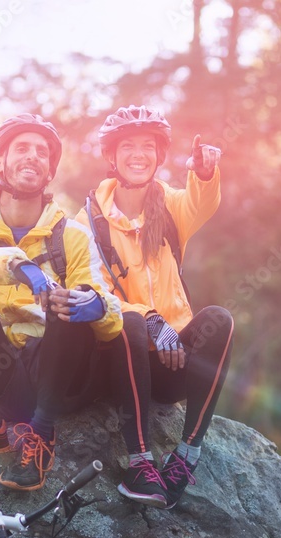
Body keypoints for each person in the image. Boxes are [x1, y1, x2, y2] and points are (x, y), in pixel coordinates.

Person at [0, 113, 122, 492]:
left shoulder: (74, 235)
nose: (33, 156)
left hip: (59, 376)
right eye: (22, 148)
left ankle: (41, 434)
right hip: (4, 379)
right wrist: (19, 266)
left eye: (41, 152)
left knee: (69, 300)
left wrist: (95, 306)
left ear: (49, 171)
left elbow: (111, 307)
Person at [75, 105, 234, 509]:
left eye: (148, 146)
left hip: (172, 362)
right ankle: (140, 462)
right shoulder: (88, 221)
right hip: (122, 363)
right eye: (128, 146)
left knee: (219, 320)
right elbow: (96, 291)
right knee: (127, 321)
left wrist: (202, 173)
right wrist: (149, 318)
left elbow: (201, 204)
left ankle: (186, 456)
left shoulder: (169, 206)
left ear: (160, 155)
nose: (139, 154)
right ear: (112, 157)